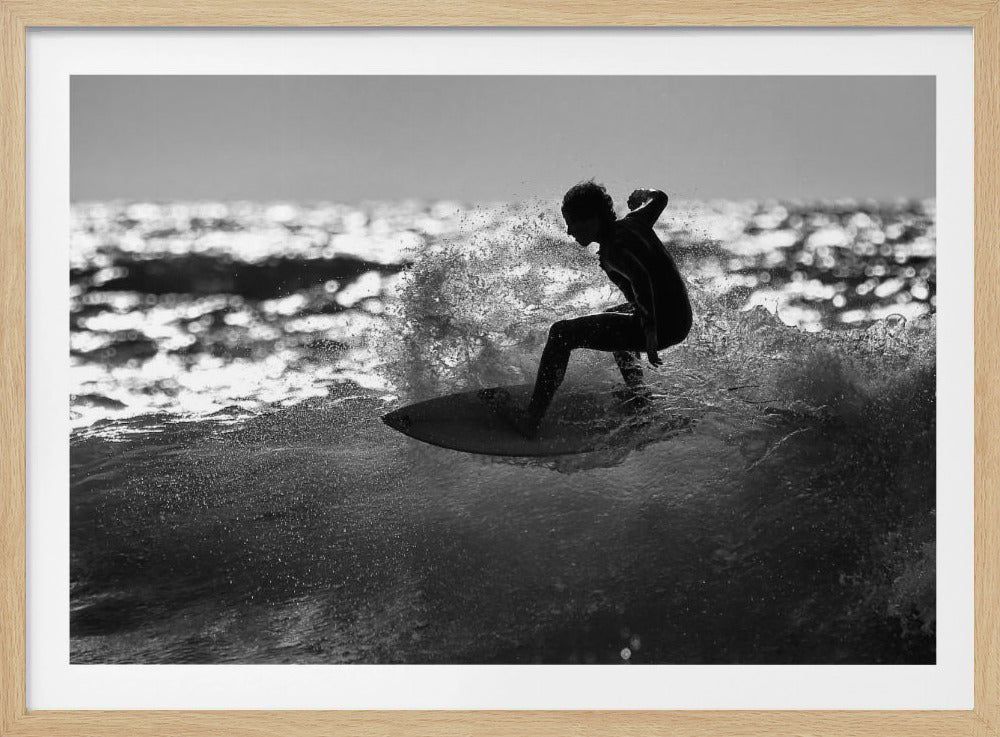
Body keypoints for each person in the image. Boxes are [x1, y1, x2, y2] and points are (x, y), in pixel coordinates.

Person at [482, 180, 693, 439]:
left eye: (572, 222)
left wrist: (649, 330)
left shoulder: (614, 248)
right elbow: (660, 198)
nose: (569, 231)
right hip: (679, 318)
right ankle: (640, 400)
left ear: (592, 219)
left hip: (661, 325)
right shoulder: (635, 221)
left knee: (561, 333)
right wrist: (642, 194)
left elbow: (641, 278)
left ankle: (531, 420)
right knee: (613, 317)